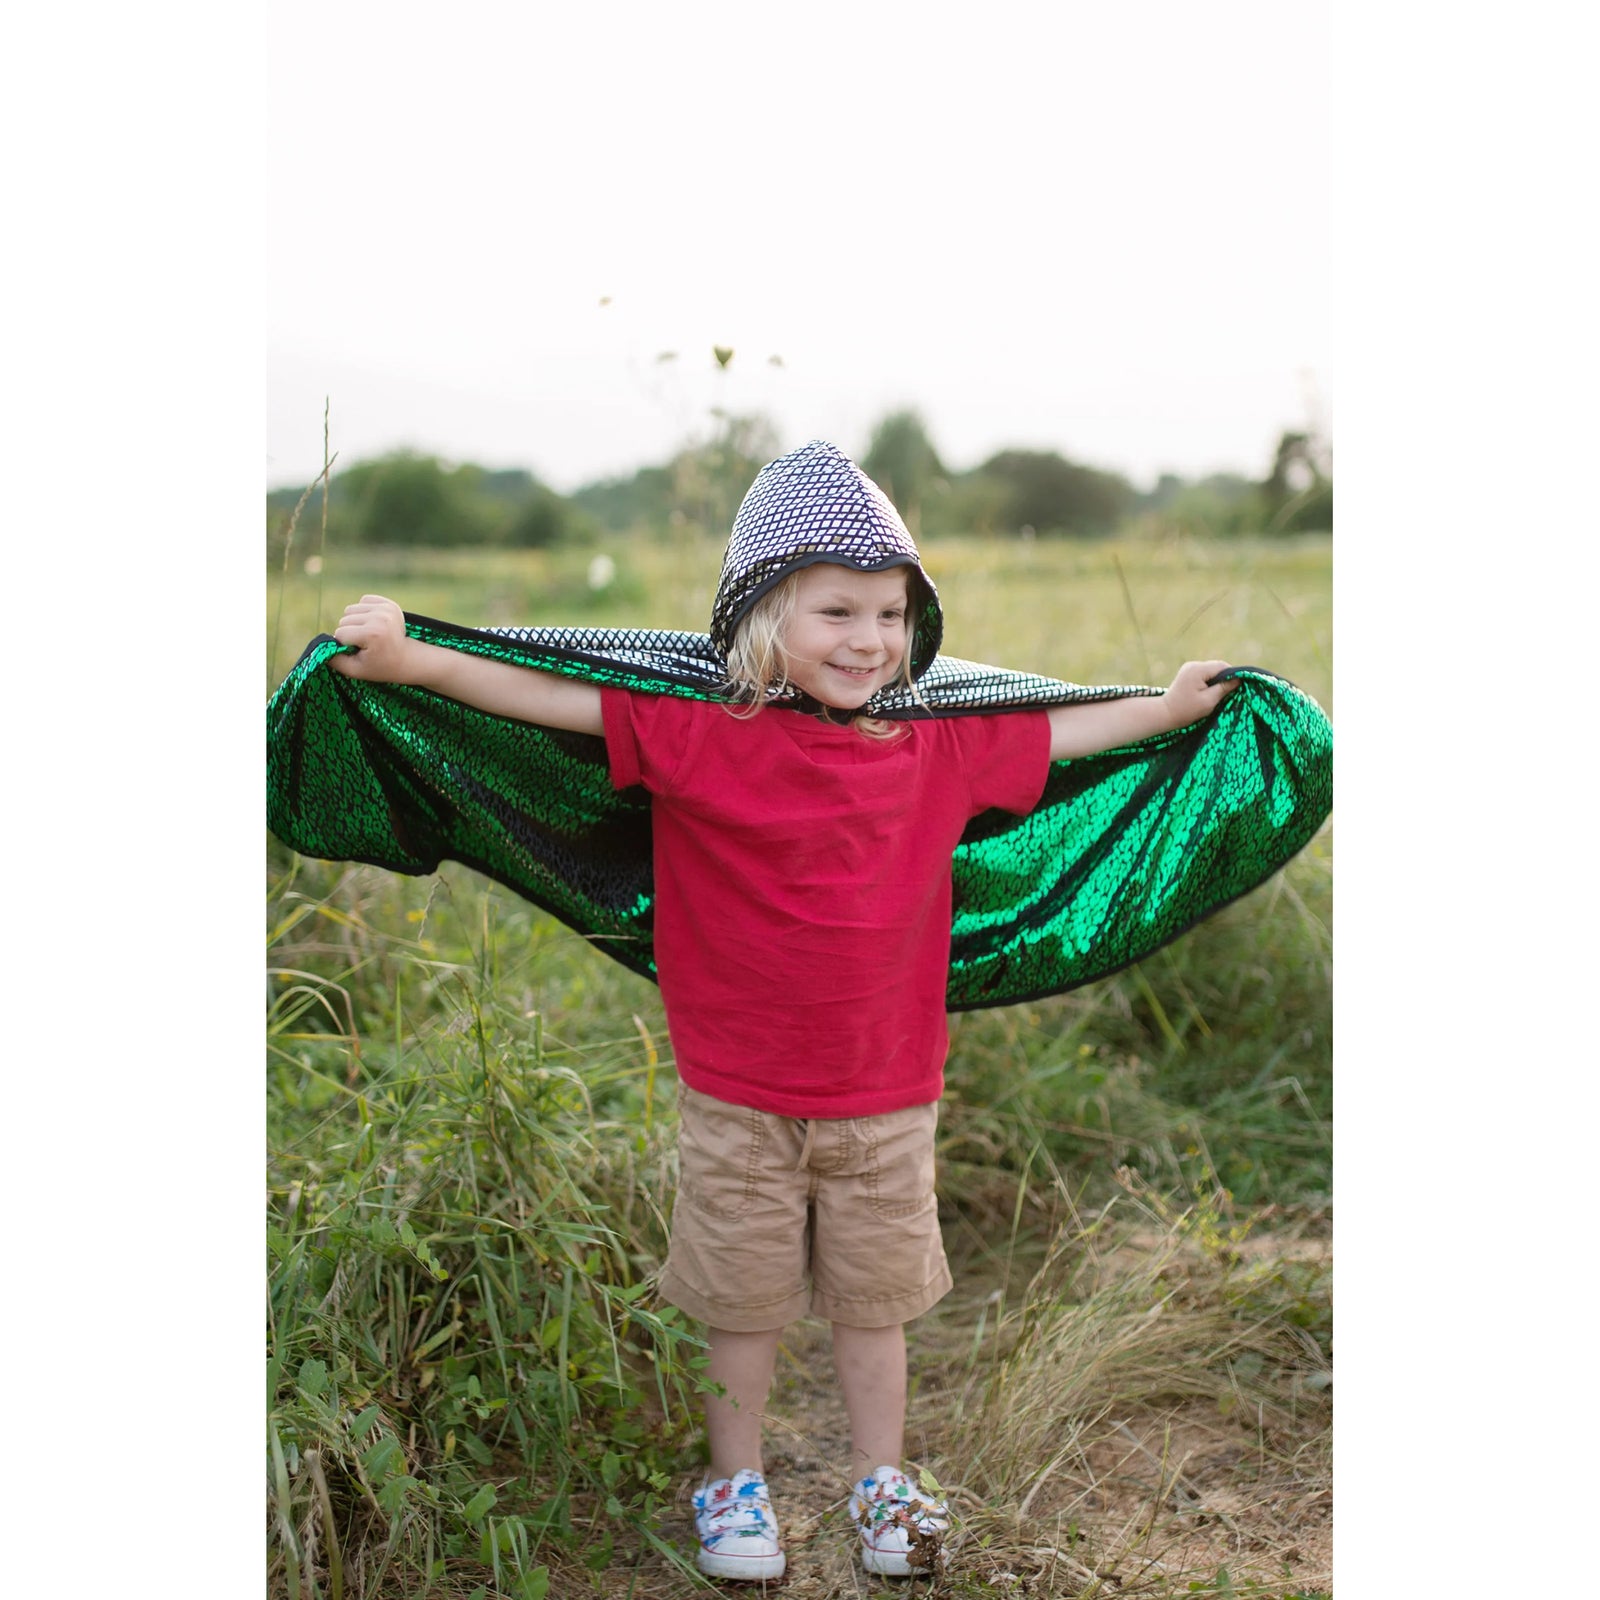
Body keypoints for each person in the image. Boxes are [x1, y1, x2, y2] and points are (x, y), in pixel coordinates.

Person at [328, 440, 1238, 1582]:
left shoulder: (936, 742)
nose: (869, 639)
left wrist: (1163, 707)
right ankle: (735, 1478)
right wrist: (414, 660)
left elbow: (1063, 732)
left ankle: (880, 1479)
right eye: (837, 611)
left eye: (891, 613)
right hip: (739, 1098)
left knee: (874, 1307)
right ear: (763, 615)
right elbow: (549, 693)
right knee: (742, 1306)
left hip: (886, 1097)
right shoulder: (696, 731)